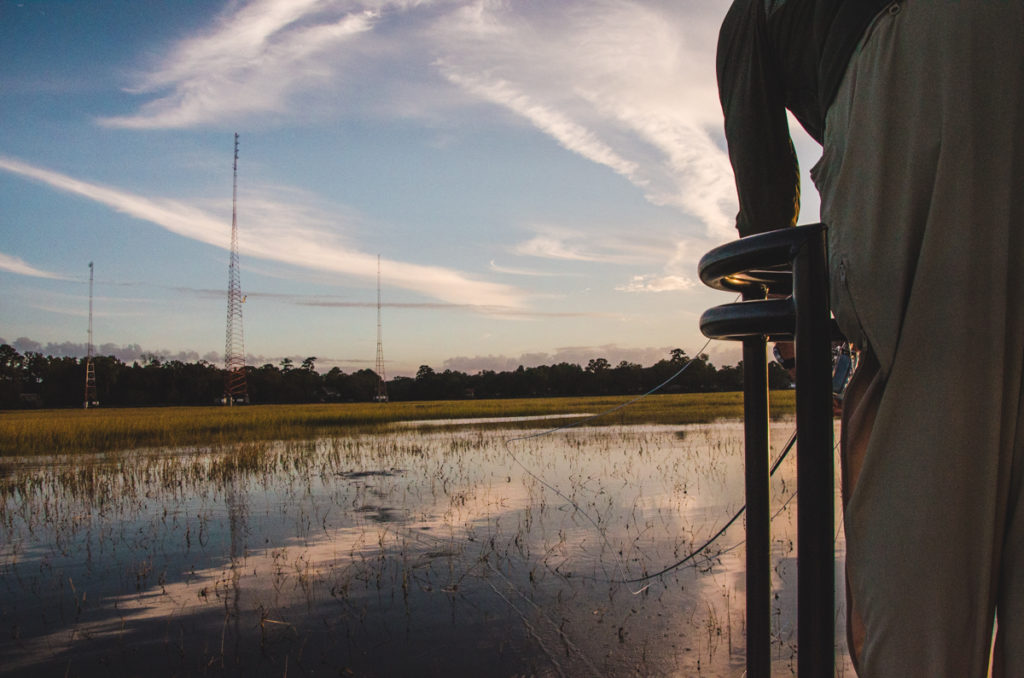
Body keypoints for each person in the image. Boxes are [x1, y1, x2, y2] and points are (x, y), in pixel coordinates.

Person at [716, 1, 1024, 676]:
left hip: (919, 76)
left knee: (921, 458)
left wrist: (792, 337)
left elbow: (765, 186)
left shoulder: (749, 15)